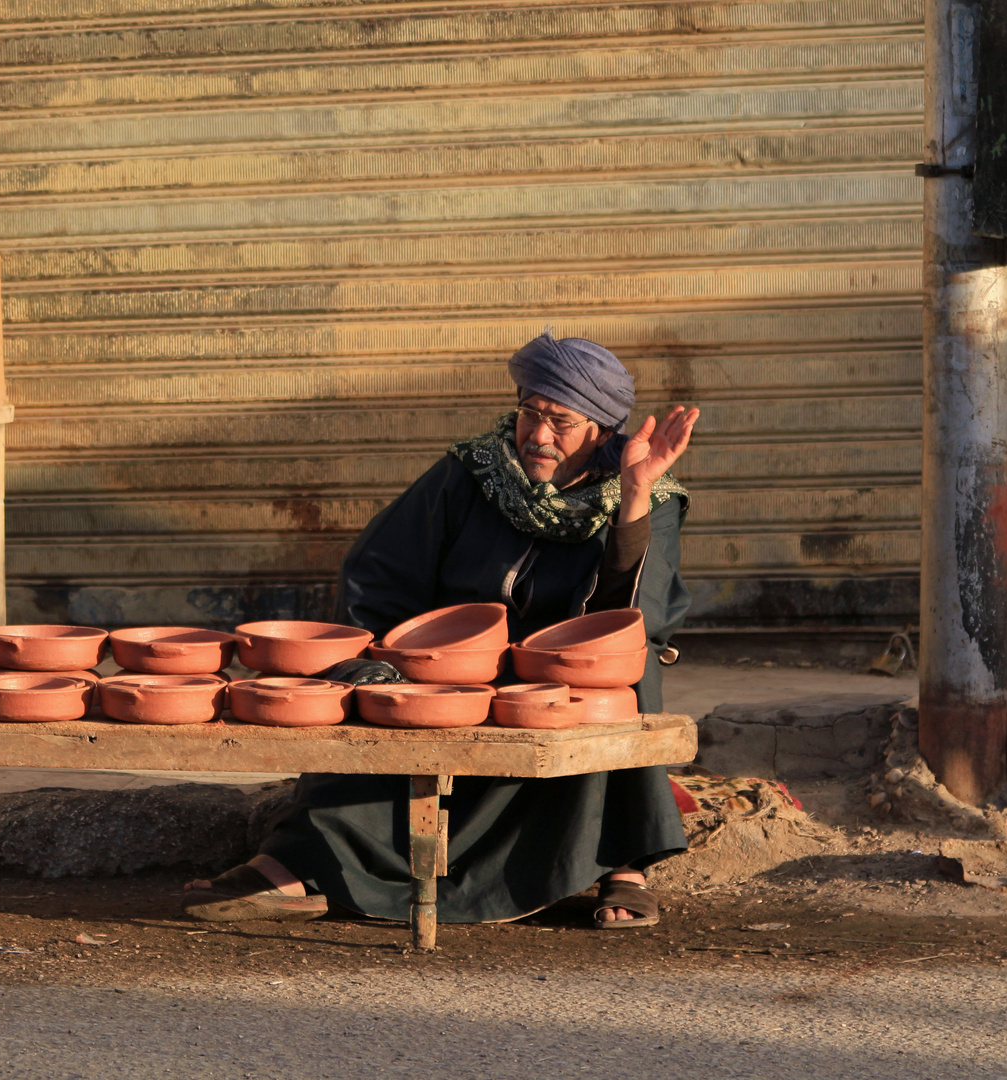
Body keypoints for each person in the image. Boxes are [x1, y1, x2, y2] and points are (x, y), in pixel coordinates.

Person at [183, 332, 699, 928]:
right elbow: (381, 567)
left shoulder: (645, 491)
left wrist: (633, 499)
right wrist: (385, 650)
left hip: (554, 683)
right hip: (445, 672)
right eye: (530, 413)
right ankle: (297, 861)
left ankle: (620, 864)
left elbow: (639, 615)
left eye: (561, 422)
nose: (537, 436)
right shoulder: (473, 471)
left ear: (603, 431)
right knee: (360, 693)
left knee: (628, 675)